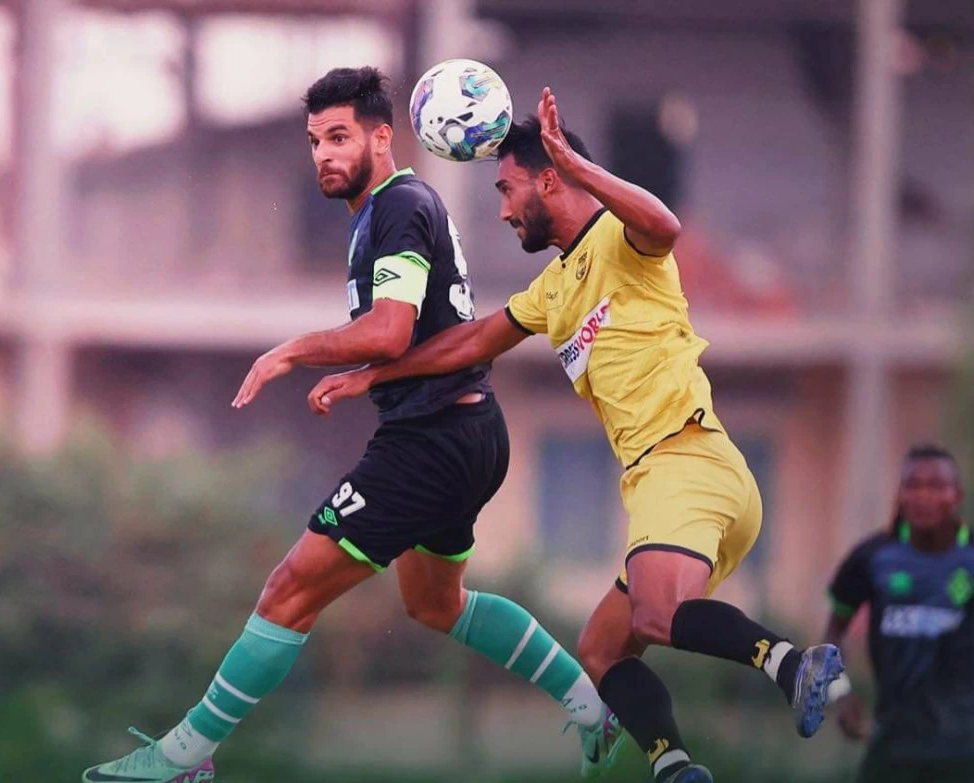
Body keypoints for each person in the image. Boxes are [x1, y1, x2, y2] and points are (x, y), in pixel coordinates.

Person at [82, 68, 618, 783]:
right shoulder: (385, 213)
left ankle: (184, 758)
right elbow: (405, 334)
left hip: (429, 440)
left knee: (288, 587)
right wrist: (367, 375)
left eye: (339, 136)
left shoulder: (399, 204)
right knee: (434, 602)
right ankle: (593, 709)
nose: (324, 154)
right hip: (467, 430)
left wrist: (291, 350)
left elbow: (390, 330)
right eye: (315, 141)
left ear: (382, 136)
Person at [309, 87, 848, 783]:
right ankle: (675, 765)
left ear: (550, 178)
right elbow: (473, 339)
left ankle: (792, 665)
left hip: (686, 460)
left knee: (656, 613)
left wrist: (582, 165)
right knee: (601, 650)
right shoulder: (554, 287)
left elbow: (665, 225)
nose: (502, 210)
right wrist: (370, 375)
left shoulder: (623, 240)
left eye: (507, 189)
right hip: (673, 484)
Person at [825, 444, 973, 783]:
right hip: (893, 745)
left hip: (965, 749)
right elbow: (833, 632)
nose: (924, 496)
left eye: (936, 486)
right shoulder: (872, 557)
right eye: (913, 485)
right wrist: (840, 693)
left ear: (957, 495)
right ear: (900, 494)